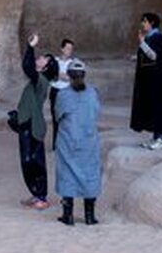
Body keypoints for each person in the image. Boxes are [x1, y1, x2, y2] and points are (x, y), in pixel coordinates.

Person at [54, 59, 101, 226]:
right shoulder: (92, 93)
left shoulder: (63, 95)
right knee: (90, 175)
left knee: (67, 174)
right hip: (89, 141)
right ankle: (90, 215)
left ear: (68, 76)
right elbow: (97, 112)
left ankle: (68, 215)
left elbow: (58, 115)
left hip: (69, 141)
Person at [16, 33, 57, 210]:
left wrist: (31, 46)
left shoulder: (41, 80)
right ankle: (36, 194)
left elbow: (27, 67)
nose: (39, 59)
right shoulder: (39, 79)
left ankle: (42, 196)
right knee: (27, 161)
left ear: (45, 67)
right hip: (27, 123)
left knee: (35, 161)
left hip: (34, 126)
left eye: (43, 59)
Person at [130, 12, 162, 150]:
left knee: (159, 107)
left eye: (145, 21)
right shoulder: (150, 38)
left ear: (152, 23)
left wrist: (142, 43)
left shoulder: (158, 38)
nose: (142, 24)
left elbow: (154, 56)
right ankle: (156, 137)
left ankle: (161, 138)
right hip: (150, 80)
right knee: (152, 107)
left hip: (158, 80)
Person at [48, 38, 80, 145]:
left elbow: (71, 78)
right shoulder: (55, 61)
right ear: (62, 49)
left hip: (67, 92)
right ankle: (56, 143)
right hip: (55, 91)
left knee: (67, 119)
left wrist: (59, 74)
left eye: (71, 49)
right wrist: (60, 75)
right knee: (55, 118)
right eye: (67, 48)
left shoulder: (74, 63)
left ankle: (66, 143)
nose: (69, 51)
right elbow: (51, 75)